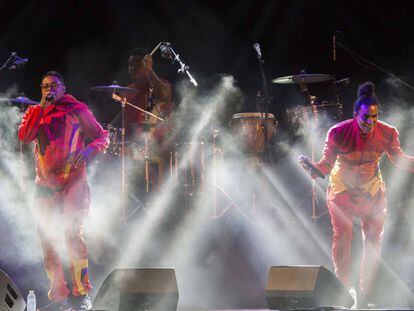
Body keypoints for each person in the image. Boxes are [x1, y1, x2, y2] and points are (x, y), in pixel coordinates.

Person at [300, 81, 414, 306]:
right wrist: (313, 169)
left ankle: (364, 294)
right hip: (342, 192)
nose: (370, 122)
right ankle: (344, 290)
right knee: (343, 238)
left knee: (373, 243)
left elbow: (399, 159)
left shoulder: (388, 132)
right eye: (365, 117)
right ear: (355, 115)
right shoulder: (338, 133)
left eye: (374, 116)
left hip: (373, 193)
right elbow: (325, 165)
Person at [18, 71, 109, 311]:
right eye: (45, 86)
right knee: (47, 239)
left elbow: (102, 136)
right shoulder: (35, 113)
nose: (49, 90)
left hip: (74, 181)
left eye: (54, 86)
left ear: (63, 88)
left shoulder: (77, 109)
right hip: (45, 185)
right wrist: (38, 109)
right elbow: (24, 136)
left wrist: (89, 151)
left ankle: (81, 294)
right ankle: (59, 297)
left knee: (72, 234)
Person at [122, 47, 174, 191]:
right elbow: (126, 124)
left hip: (159, 147)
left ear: (146, 64)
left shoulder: (160, 84)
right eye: (129, 65)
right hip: (135, 148)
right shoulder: (127, 91)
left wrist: (150, 71)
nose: (131, 69)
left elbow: (165, 95)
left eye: (136, 65)